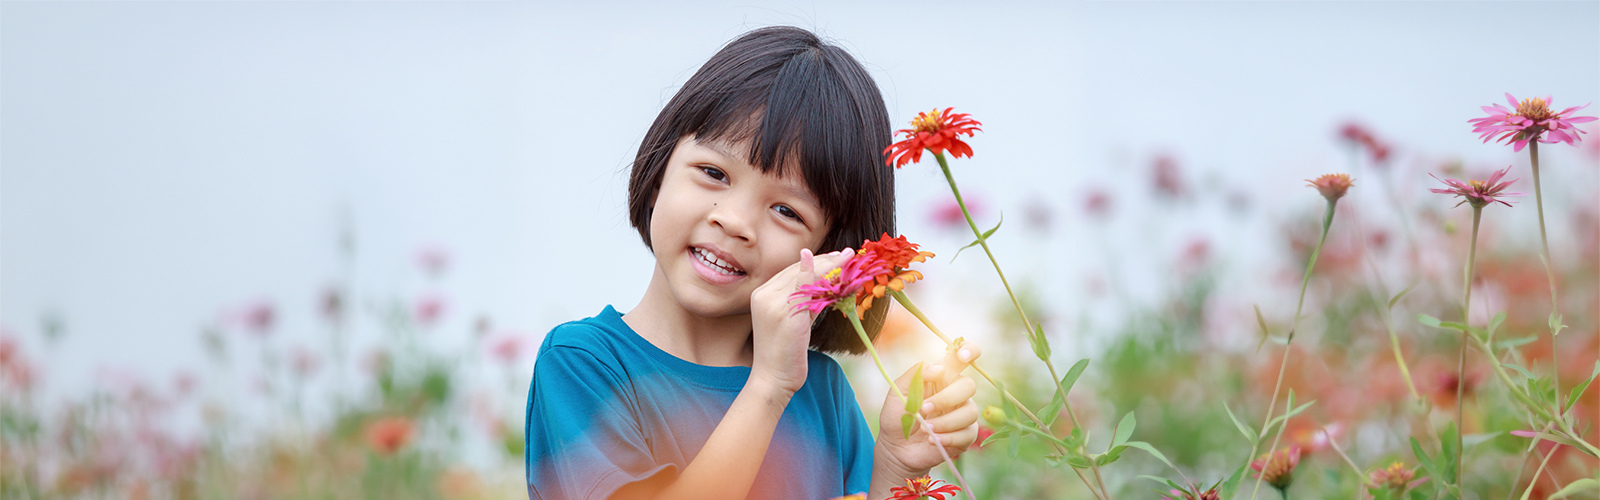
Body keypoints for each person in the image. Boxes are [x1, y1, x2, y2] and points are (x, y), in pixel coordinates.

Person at [524, 26, 982, 500]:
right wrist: (768, 387)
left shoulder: (821, 392)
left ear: (831, 253)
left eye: (787, 211)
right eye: (714, 173)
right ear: (660, 170)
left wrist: (893, 465)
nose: (737, 222)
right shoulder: (583, 364)